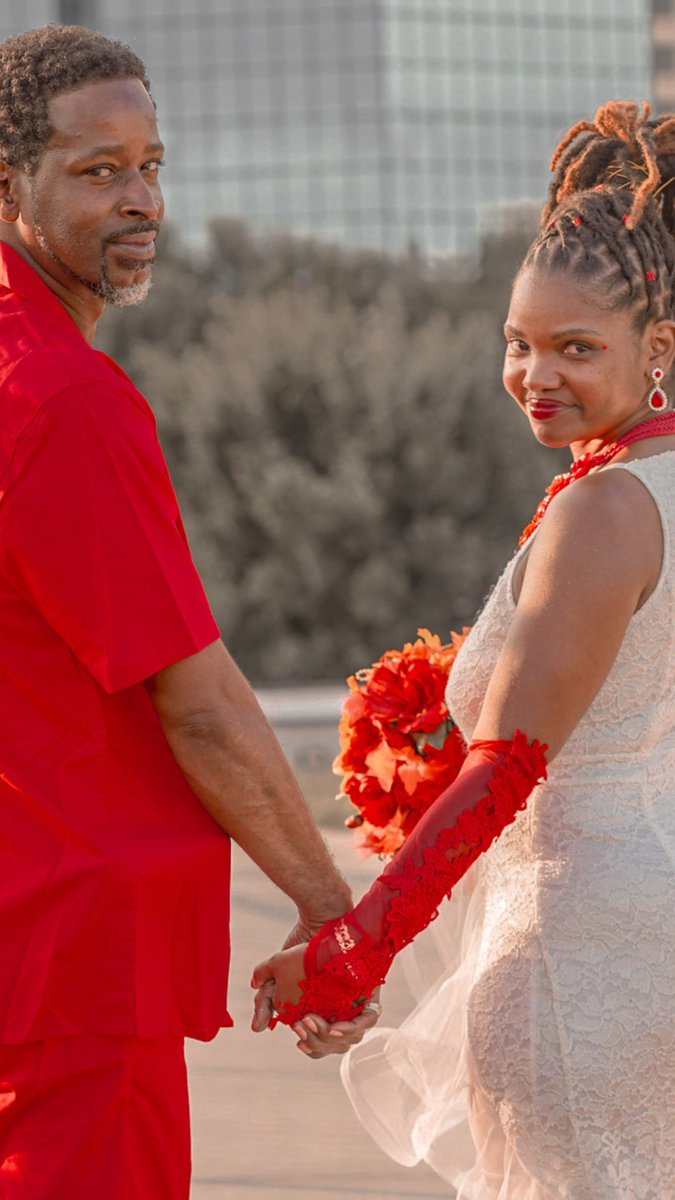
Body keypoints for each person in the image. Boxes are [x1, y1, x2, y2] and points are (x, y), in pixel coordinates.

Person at [252, 100, 675, 1197]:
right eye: (518, 343)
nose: (536, 375)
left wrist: (355, 953)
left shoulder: (608, 508)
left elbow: (506, 772)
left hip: (580, 953)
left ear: (659, 347)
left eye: (576, 348)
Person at [0, 24, 377, 1200]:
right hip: (74, 965)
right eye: (96, 169)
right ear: (10, 182)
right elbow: (196, 700)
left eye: (151, 163)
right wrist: (330, 909)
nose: (141, 198)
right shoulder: (64, 400)